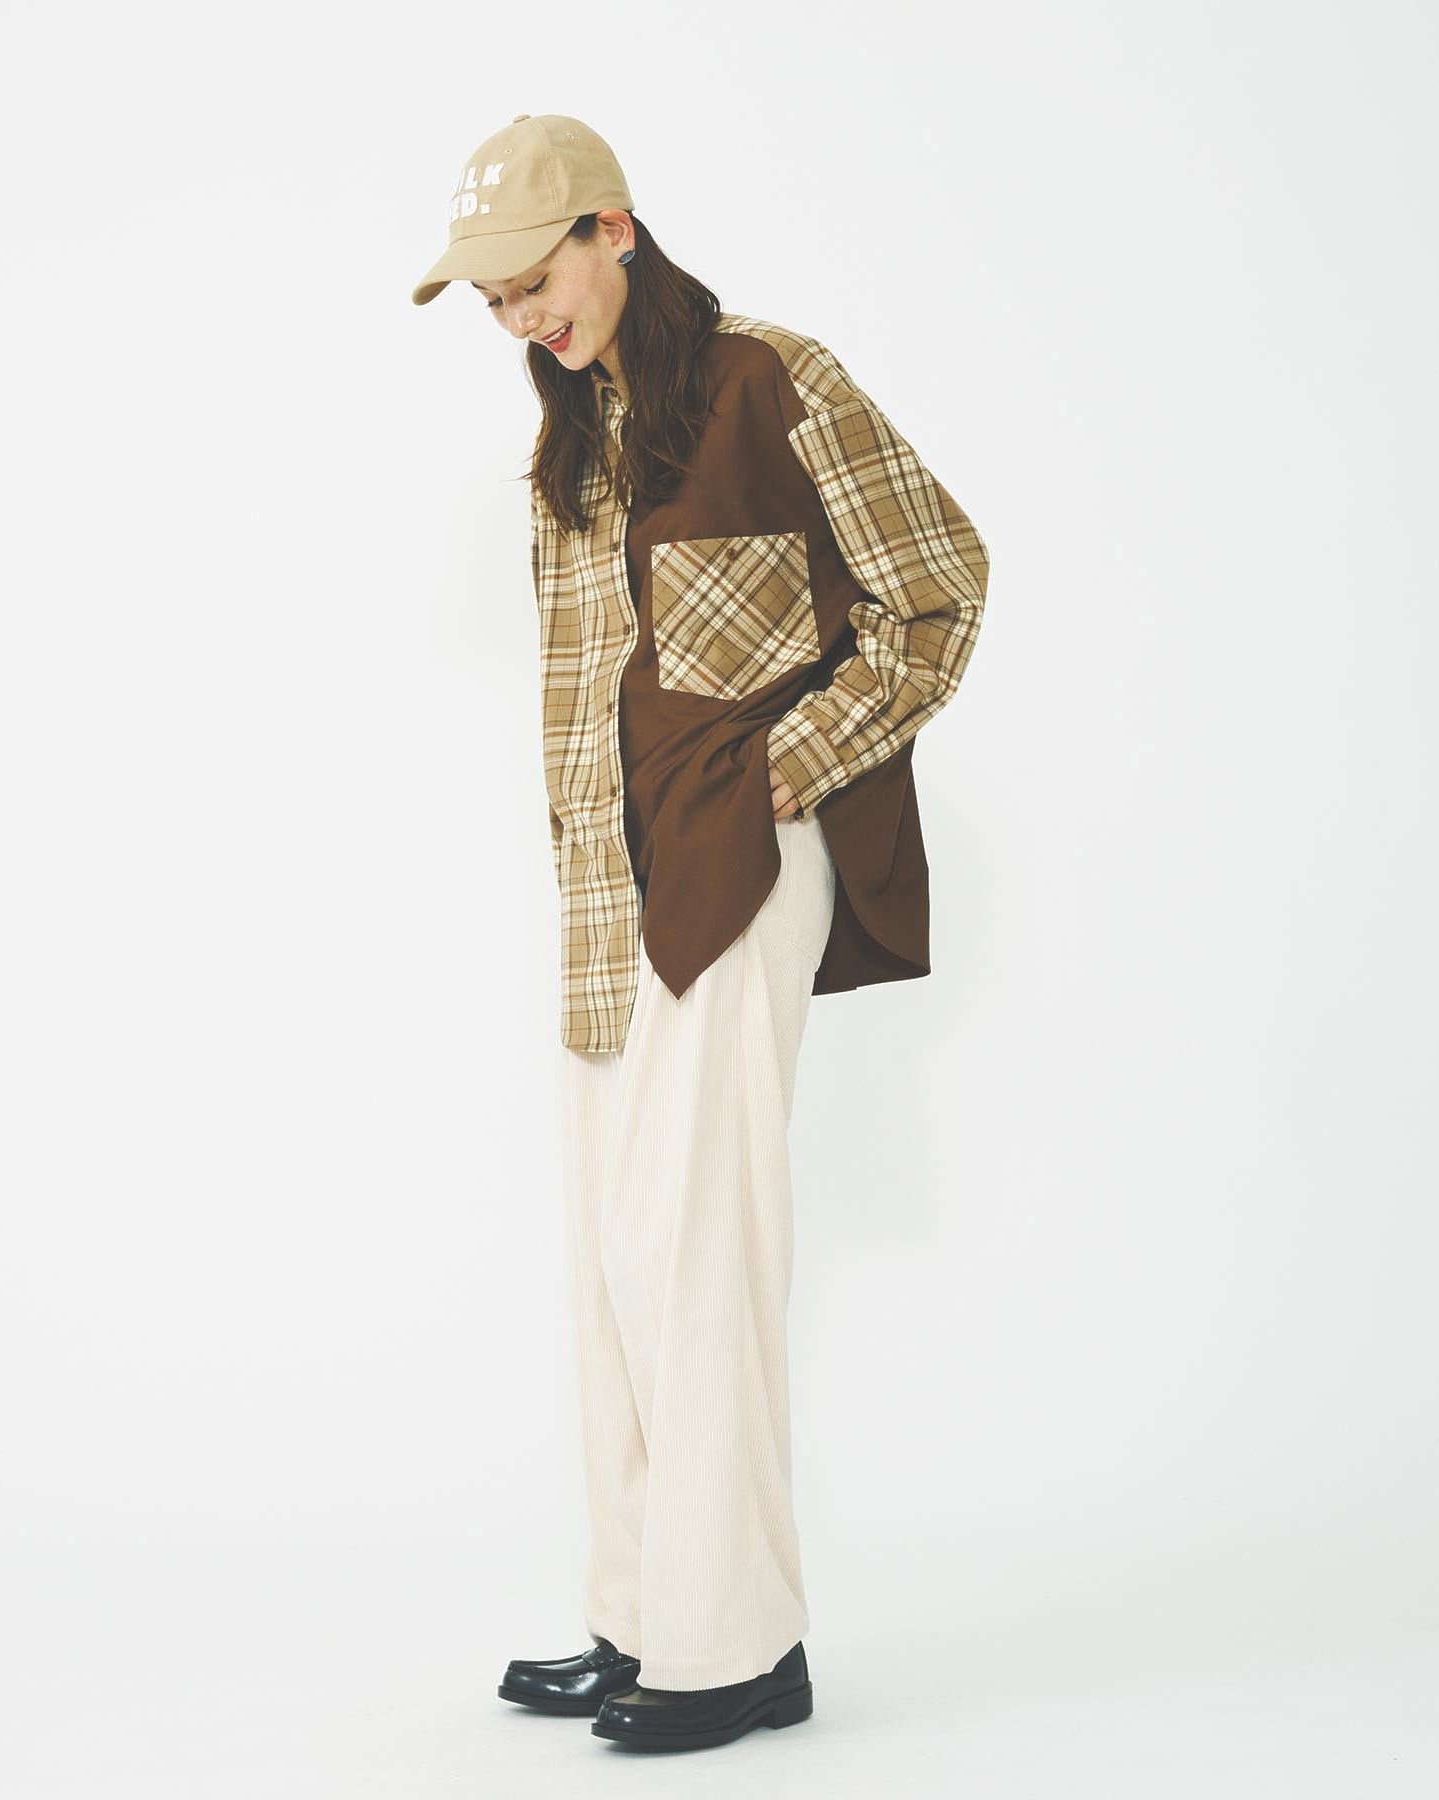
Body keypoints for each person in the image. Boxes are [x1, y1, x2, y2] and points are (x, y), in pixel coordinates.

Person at [410, 112, 990, 1753]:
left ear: (615, 229)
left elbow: (941, 588)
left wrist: (791, 769)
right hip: (613, 892)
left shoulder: (772, 380)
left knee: (695, 1241)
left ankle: (738, 1648)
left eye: (533, 279)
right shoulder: (573, 440)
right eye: (494, 301)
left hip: (737, 862)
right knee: (613, 1253)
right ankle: (646, 1616)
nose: (520, 317)